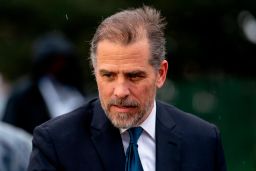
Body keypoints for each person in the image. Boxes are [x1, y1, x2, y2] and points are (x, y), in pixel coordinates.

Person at [28, 6, 227, 171]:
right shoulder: (56, 143)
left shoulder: (203, 141)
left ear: (161, 73)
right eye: (108, 76)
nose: (120, 91)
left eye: (134, 76)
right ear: (95, 72)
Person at [2, 32, 86, 134]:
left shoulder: (73, 88)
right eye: (54, 61)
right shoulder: (24, 94)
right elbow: (9, 130)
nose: (58, 66)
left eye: (61, 61)